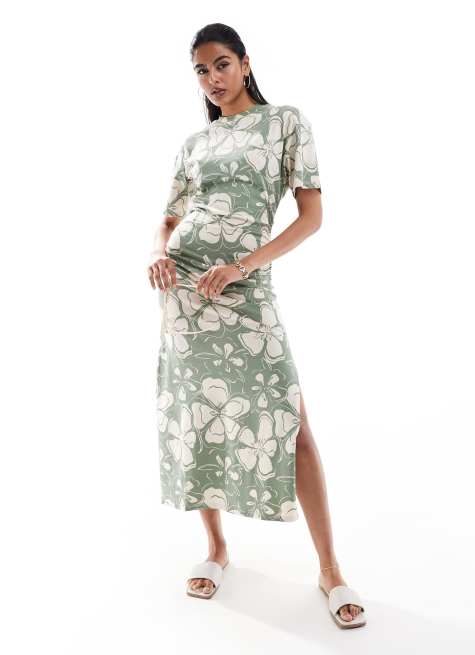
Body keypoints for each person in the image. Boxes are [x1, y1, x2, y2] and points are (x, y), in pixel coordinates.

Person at [148, 23, 367, 629]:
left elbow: (311, 217)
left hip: (244, 288)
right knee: (199, 416)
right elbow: (168, 218)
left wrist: (242, 267)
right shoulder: (195, 143)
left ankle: (330, 569)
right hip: (185, 295)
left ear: (245, 63)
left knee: (292, 424)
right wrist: (159, 251)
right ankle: (216, 548)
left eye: (221, 64)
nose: (212, 79)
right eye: (201, 70)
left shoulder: (285, 123)